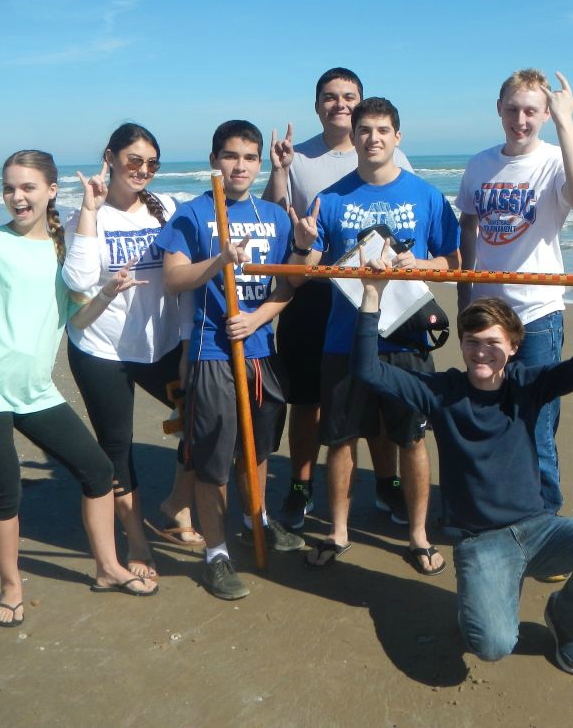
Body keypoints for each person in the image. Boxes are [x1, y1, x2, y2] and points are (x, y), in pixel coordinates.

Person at [352, 241, 573, 674]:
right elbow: (368, 370)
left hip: (540, 528)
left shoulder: (527, 386)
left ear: (513, 347)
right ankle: (482, 599)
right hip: (481, 542)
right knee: (493, 645)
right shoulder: (442, 393)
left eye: (493, 343)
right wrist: (371, 295)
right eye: (472, 342)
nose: (481, 352)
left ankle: (566, 624)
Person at [0, 146, 157, 630]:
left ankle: (108, 568)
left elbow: (78, 317)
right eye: (9, 187)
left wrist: (108, 293)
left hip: (33, 390)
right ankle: (11, 587)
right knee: (4, 491)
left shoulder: (63, 248)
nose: (17, 196)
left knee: (97, 470)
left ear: (51, 191)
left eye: (28, 187)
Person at [290, 96, 460, 575]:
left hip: (407, 339)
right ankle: (338, 530)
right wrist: (304, 247)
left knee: (412, 440)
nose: (373, 138)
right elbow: (307, 272)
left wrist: (418, 264)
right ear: (354, 135)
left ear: (397, 137)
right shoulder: (333, 198)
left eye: (383, 130)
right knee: (341, 440)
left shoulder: (426, 195)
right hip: (345, 339)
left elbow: (453, 261)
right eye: (365, 130)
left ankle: (419, 536)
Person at [263, 67, 414, 530]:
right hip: (315, 292)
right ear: (317, 105)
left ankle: (387, 483)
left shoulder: (392, 153)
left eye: (350, 96)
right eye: (330, 97)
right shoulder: (299, 157)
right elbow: (274, 217)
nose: (340, 105)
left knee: (378, 389)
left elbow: (407, 224)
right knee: (308, 398)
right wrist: (279, 170)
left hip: (372, 295)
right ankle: (301, 485)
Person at [156, 120, 301, 601]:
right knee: (213, 460)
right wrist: (218, 261)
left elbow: (286, 286)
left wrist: (259, 318)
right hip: (211, 353)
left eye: (249, 157)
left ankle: (255, 516)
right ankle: (216, 554)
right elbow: (174, 280)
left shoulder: (274, 217)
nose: (240, 166)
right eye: (230, 156)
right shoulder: (192, 216)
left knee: (259, 451)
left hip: (259, 351)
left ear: (260, 163)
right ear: (215, 159)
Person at [62, 123, 201, 581]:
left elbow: (183, 286)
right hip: (101, 349)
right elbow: (79, 282)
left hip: (160, 345)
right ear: (111, 157)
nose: (143, 170)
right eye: (134, 160)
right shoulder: (88, 216)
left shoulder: (169, 211)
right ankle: (137, 542)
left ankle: (176, 507)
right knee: (117, 450)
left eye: (152, 163)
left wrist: (184, 345)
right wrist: (89, 208)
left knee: (204, 418)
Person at [457, 68, 573, 516]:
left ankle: (544, 514)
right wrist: (466, 294)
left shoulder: (556, 158)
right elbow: (469, 224)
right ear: (499, 109)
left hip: (537, 313)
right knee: (490, 412)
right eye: (513, 109)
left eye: (531, 110)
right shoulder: (480, 164)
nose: (521, 118)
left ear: (544, 113)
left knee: (537, 421)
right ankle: (498, 504)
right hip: (487, 313)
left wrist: (566, 122)